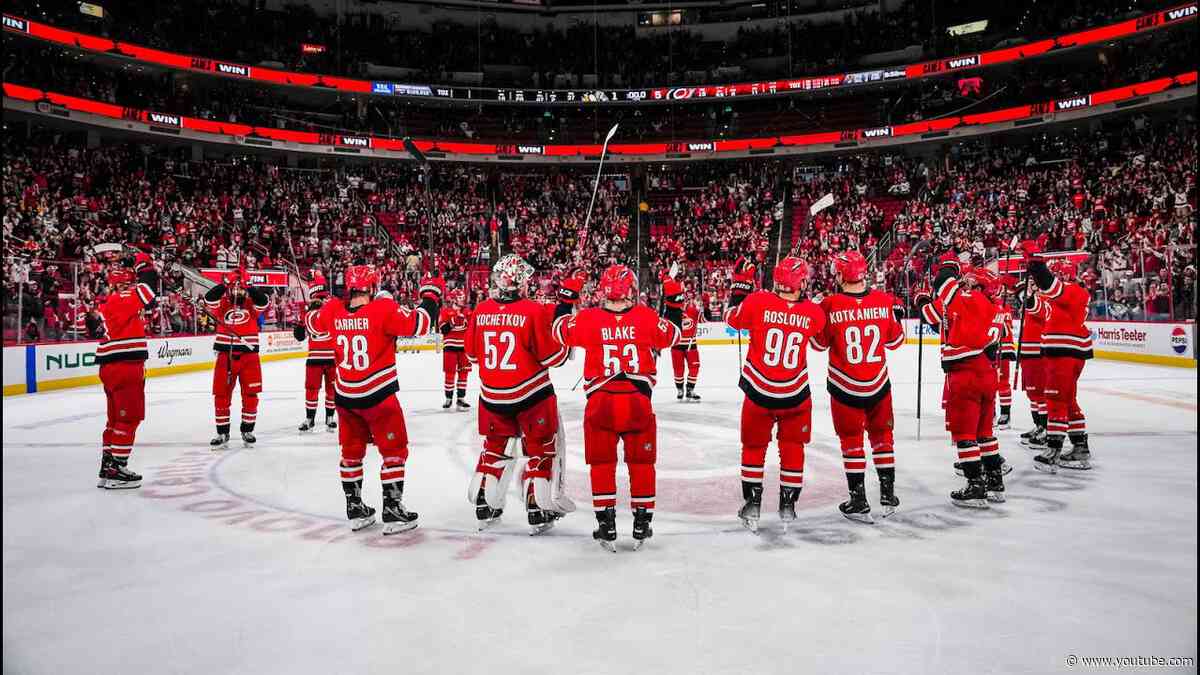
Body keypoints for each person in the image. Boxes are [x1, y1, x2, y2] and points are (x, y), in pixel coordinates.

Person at [553, 264, 682, 551]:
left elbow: (558, 331)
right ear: (631, 290)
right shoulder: (646, 317)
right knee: (642, 464)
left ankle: (606, 524)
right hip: (637, 401)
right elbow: (674, 335)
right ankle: (641, 522)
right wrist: (673, 298)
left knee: (601, 464)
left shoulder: (588, 318)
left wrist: (568, 293)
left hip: (601, 402)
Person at [313, 264, 443, 533]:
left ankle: (354, 506)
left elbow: (311, 325)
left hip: (346, 396)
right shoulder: (382, 309)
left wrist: (319, 300)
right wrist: (430, 295)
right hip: (379, 397)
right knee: (394, 452)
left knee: (350, 453)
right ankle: (393, 509)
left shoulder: (333, 310)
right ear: (372, 287)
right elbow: (421, 324)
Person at [464, 254, 573, 534]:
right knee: (541, 449)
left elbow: (473, 354)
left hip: (492, 397)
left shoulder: (481, 309)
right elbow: (552, 357)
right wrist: (566, 344)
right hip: (531, 396)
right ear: (521, 282)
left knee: (494, 448)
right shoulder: (532, 311)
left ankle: (484, 502)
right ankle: (538, 506)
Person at [725, 256, 826, 532]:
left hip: (759, 392)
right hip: (795, 393)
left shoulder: (757, 302)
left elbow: (732, 318)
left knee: (754, 448)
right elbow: (819, 343)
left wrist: (740, 288)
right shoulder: (813, 313)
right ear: (801, 282)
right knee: (793, 448)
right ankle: (788, 505)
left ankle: (753, 503)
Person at [810, 251, 904, 523]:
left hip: (845, 386)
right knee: (883, 438)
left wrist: (816, 313)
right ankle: (888, 495)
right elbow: (896, 342)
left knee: (851, 441)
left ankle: (859, 499)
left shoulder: (830, 304)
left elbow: (818, 345)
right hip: (879, 384)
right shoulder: (883, 301)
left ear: (841, 275)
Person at [915, 258, 1006, 507]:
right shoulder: (995, 308)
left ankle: (976, 485)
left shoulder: (968, 300)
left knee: (965, 433)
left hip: (966, 373)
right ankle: (995, 481)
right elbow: (937, 317)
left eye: (971, 283)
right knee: (985, 432)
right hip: (987, 373)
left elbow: (943, 282)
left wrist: (949, 265)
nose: (966, 284)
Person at [1021, 244, 1094, 472]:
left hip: (1064, 354)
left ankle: (1053, 448)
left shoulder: (1072, 291)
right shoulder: (1064, 298)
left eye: (1058, 273)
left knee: (1055, 399)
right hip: (1065, 352)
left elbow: (1048, 283)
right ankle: (1080, 446)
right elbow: (1039, 304)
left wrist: (1035, 262)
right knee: (1069, 401)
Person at [94, 252, 158, 489]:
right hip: (125, 366)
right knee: (129, 417)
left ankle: (108, 466)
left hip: (112, 366)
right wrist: (143, 261)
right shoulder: (123, 296)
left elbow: (148, 297)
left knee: (115, 420)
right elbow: (149, 288)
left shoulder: (112, 299)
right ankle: (117, 469)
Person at [204, 269, 269, 449]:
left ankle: (247, 429)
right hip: (226, 356)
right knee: (221, 394)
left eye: (241, 288)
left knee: (250, 394)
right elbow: (209, 299)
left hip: (250, 357)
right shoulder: (223, 304)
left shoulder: (251, 305)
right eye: (235, 287)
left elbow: (264, 301)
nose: (238, 291)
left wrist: (249, 286)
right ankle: (222, 431)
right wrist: (226, 283)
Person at [292, 274, 337, 432]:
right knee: (311, 389)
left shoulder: (333, 307)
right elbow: (299, 337)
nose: (320, 301)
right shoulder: (308, 313)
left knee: (332, 389)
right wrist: (300, 321)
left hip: (332, 356)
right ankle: (310, 418)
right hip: (315, 357)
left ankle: (329, 417)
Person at [439, 287, 473, 411]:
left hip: (465, 347)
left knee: (464, 373)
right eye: (460, 297)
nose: (463, 300)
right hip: (450, 347)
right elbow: (443, 330)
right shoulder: (445, 311)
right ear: (453, 299)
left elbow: (472, 329)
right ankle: (448, 399)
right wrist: (454, 320)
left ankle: (461, 399)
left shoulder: (468, 311)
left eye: (463, 297)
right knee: (450, 373)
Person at [669, 291, 702, 401]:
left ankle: (690, 389)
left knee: (695, 367)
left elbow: (702, 320)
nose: (682, 302)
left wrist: (702, 310)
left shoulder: (693, 309)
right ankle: (680, 389)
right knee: (678, 369)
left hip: (690, 344)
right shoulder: (671, 311)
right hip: (676, 344)